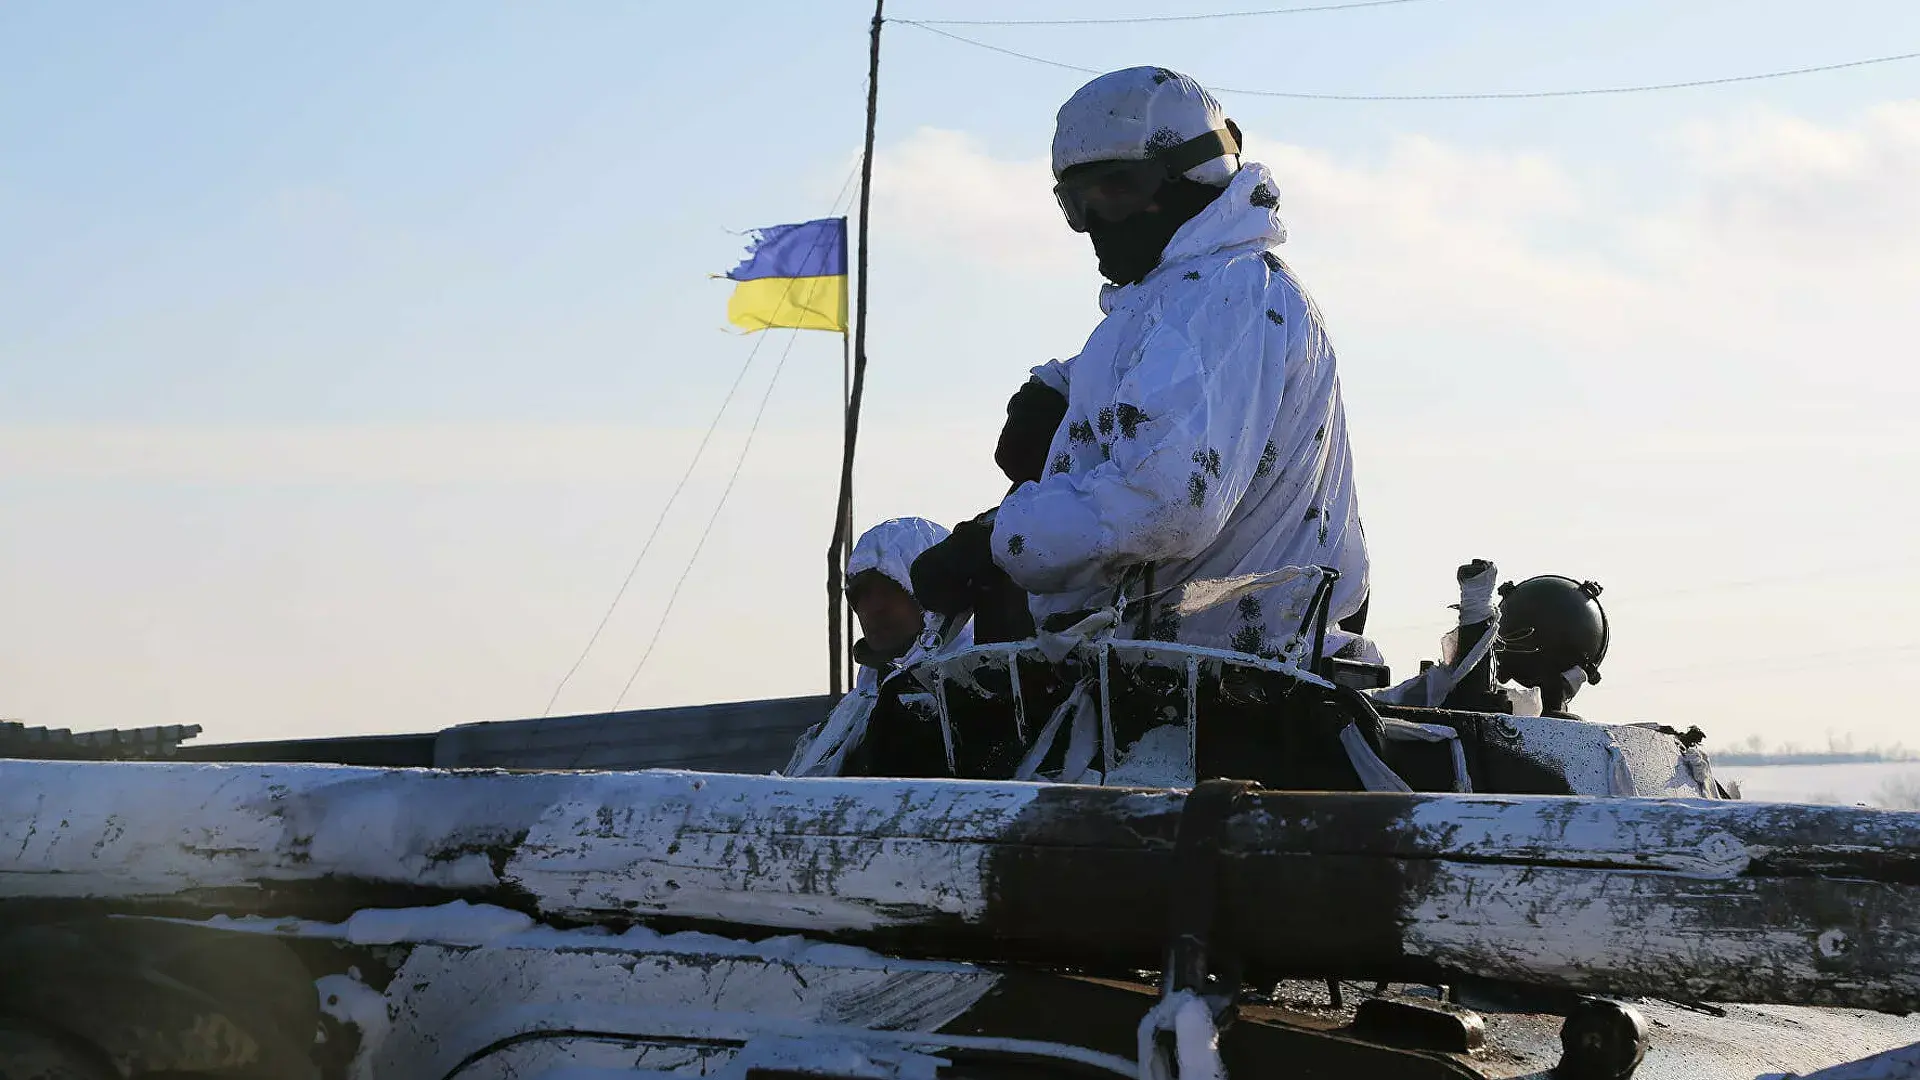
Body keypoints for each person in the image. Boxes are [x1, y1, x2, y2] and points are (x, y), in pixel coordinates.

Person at [912, 66, 1371, 661]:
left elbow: (1166, 504)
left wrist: (1001, 539)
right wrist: (1062, 389)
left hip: (1216, 668)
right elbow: (1161, 372)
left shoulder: (1225, 297)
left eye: (1116, 190)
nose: (1097, 222)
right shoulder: (1191, 293)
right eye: (1077, 203)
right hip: (1179, 658)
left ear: (1189, 176)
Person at [845, 517, 973, 689]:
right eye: (863, 594)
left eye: (889, 591)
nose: (875, 608)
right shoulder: (866, 688)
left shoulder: (983, 683)